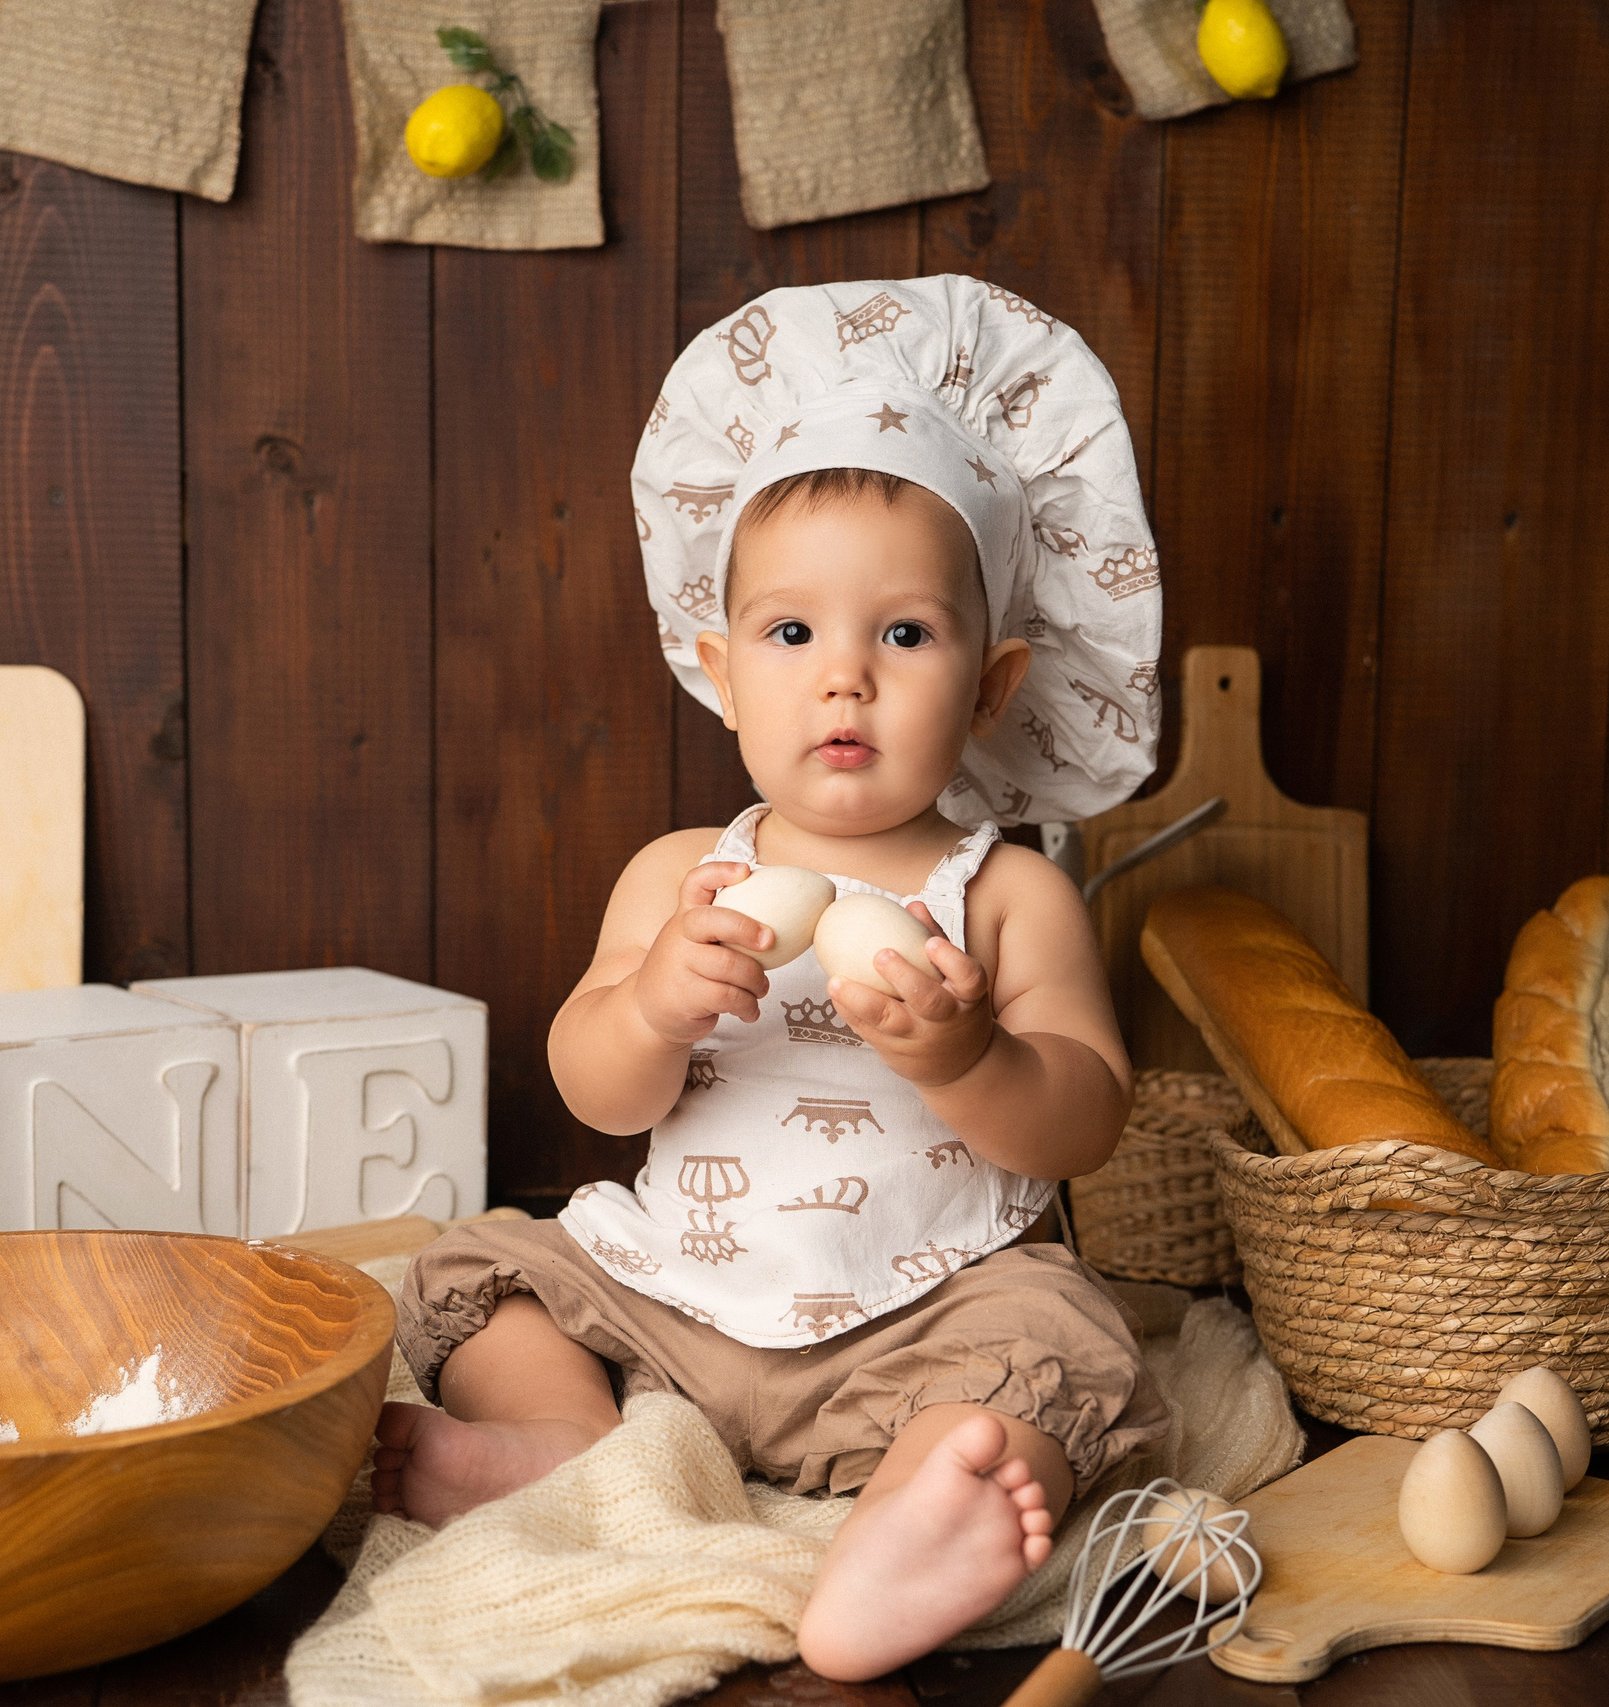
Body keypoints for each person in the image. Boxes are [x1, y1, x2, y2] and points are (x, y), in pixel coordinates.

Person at [377, 276, 1168, 1680]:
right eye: (791, 635)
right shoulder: (686, 872)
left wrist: (969, 1060)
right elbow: (597, 1091)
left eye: (905, 635)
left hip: (921, 1317)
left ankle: (909, 1534)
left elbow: (1089, 1115)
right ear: (721, 672)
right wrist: (653, 1006)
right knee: (488, 1269)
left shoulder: (1009, 894)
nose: (844, 679)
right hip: (675, 1307)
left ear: (995, 684)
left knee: (1059, 1340)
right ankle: (560, 1452)